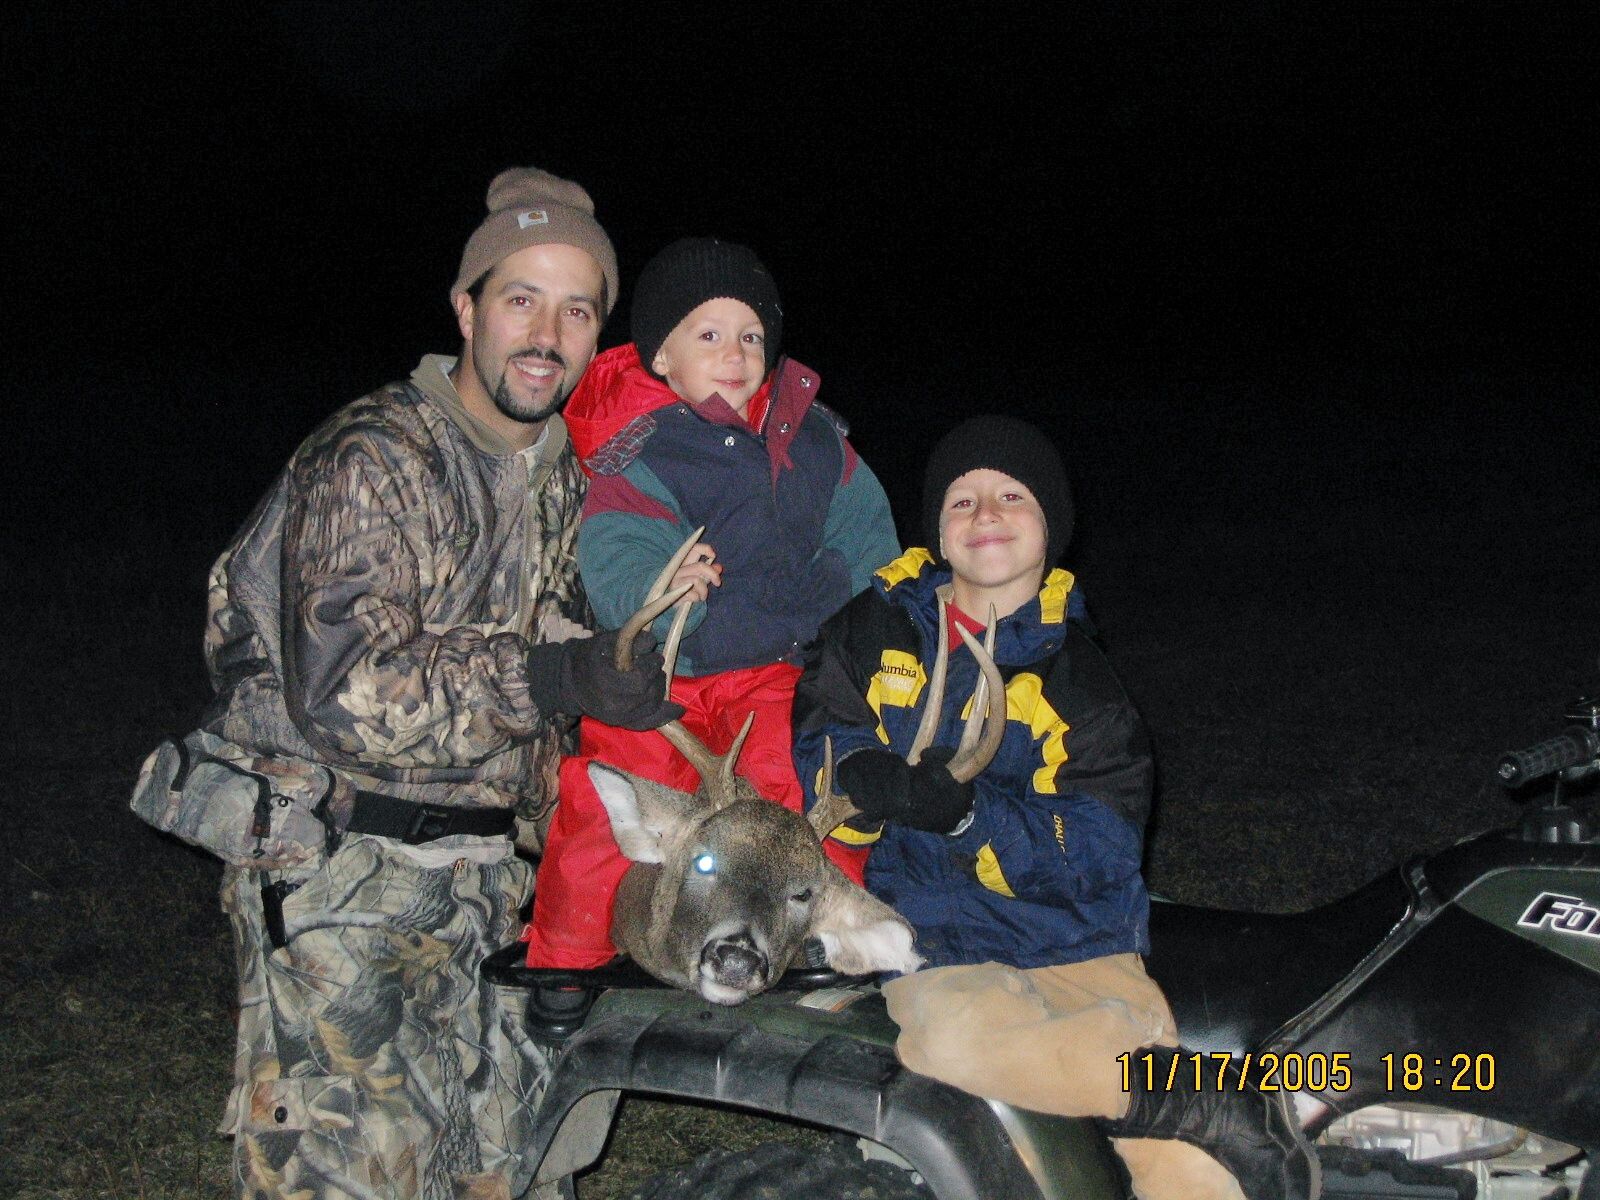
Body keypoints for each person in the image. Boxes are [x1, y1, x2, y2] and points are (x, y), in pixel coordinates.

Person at [133, 167, 680, 1200]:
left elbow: (578, 669)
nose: (545, 333)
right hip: (346, 880)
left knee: (507, 1178)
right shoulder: (374, 456)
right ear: (467, 308)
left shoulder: (566, 475)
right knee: (358, 1180)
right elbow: (346, 694)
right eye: (520, 298)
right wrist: (552, 677)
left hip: (488, 890)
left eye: (576, 309)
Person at [791, 415, 1320, 1200]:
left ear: (1052, 527)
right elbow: (823, 738)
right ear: (937, 528)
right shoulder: (876, 630)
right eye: (962, 501)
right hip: (945, 943)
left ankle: (1188, 1116)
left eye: (1012, 496)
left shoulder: (1085, 688)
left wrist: (972, 817)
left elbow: (1099, 855)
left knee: (1205, 1180)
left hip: (1083, 947)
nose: (986, 515)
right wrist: (868, 777)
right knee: (950, 1041)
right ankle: (1183, 1093)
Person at [523, 236, 900, 968]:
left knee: (802, 791)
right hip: (665, 677)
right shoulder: (639, 451)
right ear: (662, 358)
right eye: (710, 335)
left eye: (751, 336)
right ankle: (565, 959)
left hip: (774, 670)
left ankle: (824, 943)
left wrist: (869, 613)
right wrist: (664, 591)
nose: (735, 353)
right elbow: (615, 549)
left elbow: (869, 539)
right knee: (609, 802)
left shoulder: (816, 441)